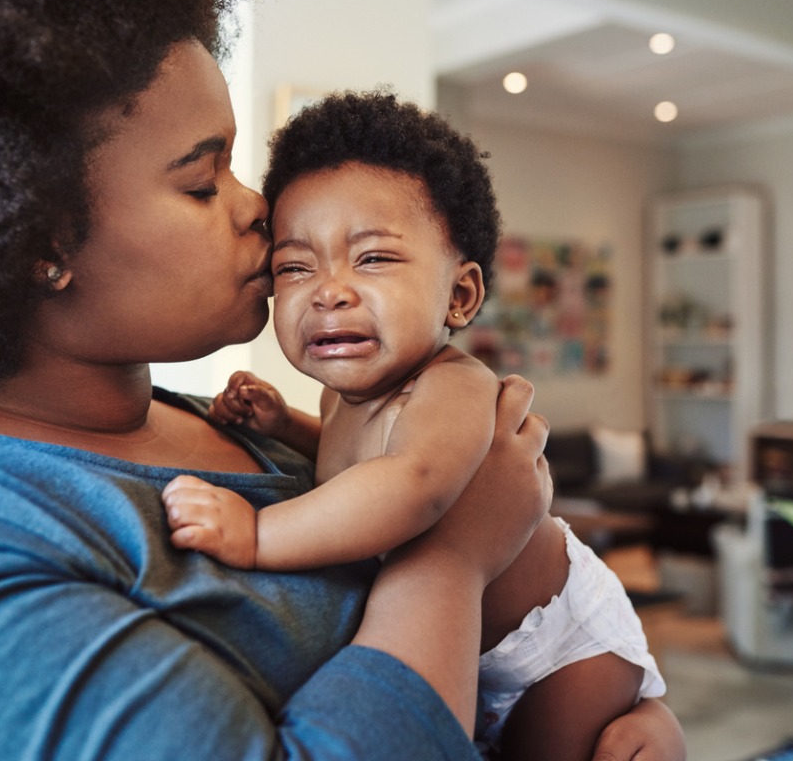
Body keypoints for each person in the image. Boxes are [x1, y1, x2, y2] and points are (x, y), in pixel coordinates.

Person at [0, 0, 686, 759]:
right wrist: (454, 559)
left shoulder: (227, 425)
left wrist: (624, 711)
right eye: (204, 182)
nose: (259, 210)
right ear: (37, 240)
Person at [161, 91, 666, 760]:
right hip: (468, 647)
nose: (328, 289)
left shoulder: (452, 387)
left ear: (459, 295)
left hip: (561, 643)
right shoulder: (346, 395)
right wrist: (287, 425)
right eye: (294, 266)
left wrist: (257, 533)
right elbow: (355, 465)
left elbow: (412, 486)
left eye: (372, 258)